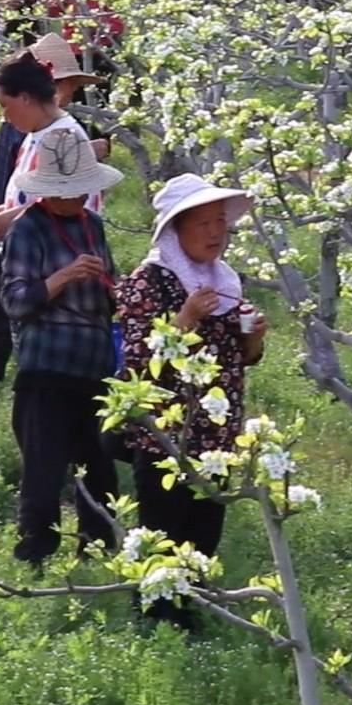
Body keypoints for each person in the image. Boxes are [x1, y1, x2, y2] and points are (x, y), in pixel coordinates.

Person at [118, 173, 266, 624]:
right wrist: (184, 318)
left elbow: (241, 359)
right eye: (202, 223)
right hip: (168, 435)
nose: (215, 233)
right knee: (165, 527)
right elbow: (140, 357)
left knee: (204, 529)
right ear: (176, 229)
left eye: (220, 222)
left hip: (217, 436)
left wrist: (255, 339)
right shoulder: (149, 282)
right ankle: (155, 618)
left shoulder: (223, 281)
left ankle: (192, 613)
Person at [0, 126, 124, 569]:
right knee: (43, 470)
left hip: (93, 366)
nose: (76, 198)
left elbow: (110, 287)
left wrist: (115, 293)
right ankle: (33, 556)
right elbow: (15, 301)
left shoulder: (93, 227)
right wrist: (65, 277)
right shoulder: (27, 229)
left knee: (99, 466)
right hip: (47, 368)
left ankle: (98, 552)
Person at [0, 41, 105, 381]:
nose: (4, 114)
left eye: (6, 105)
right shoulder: (36, 133)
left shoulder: (63, 137)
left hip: (56, 257)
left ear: (26, 98)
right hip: (33, 252)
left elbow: (73, 203)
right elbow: (35, 198)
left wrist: (13, 217)